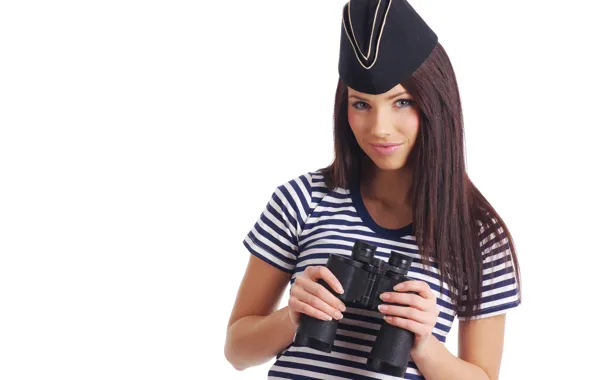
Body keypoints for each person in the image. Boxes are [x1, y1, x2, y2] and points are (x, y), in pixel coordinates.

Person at [224, 0, 522, 379]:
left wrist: (423, 344)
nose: (379, 128)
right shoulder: (301, 201)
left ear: (436, 103)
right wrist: (293, 316)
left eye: (402, 102)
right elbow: (237, 352)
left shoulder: (478, 235)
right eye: (361, 104)